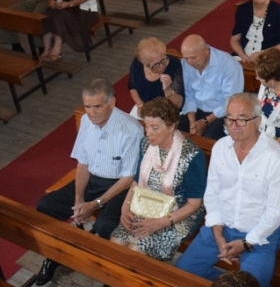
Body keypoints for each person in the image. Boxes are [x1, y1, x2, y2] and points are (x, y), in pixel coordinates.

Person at [176, 93, 280, 287]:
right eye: (229, 119)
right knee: (184, 272)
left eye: (242, 119)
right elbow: (212, 193)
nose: (234, 125)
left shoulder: (276, 158)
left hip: (260, 235)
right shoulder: (221, 148)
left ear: (257, 121)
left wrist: (247, 243)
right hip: (221, 227)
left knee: (250, 284)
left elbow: (276, 212)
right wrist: (217, 231)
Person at [35, 79, 143, 286]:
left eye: (97, 106)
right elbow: (82, 162)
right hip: (93, 179)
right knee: (45, 206)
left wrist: (94, 205)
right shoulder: (86, 121)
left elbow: (128, 178)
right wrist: (79, 199)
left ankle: (109, 272)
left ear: (111, 102)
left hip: (120, 186)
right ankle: (54, 255)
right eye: (87, 106)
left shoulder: (131, 129)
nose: (91, 113)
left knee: (106, 224)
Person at [110, 97, 207, 259]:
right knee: (116, 243)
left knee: (135, 250)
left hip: (177, 213)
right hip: (146, 204)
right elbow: (136, 181)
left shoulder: (192, 155)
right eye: (147, 126)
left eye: (155, 128)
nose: (148, 133)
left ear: (171, 126)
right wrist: (125, 207)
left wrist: (161, 222)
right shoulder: (146, 144)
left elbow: (194, 203)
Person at [180, 34, 244, 139]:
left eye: (193, 58)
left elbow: (230, 102)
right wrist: (192, 122)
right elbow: (188, 94)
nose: (189, 62)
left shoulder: (229, 65)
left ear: (206, 51)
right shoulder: (186, 63)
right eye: (186, 58)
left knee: (209, 140)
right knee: (175, 132)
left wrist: (205, 122)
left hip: (222, 113)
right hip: (196, 109)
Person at [128, 37, 184, 119]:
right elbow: (132, 88)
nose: (161, 66)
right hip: (145, 107)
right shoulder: (137, 64)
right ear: (145, 64)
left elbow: (178, 104)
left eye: (163, 60)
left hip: (168, 112)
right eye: (156, 65)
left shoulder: (175, 66)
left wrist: (168, 89)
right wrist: (140, 106)